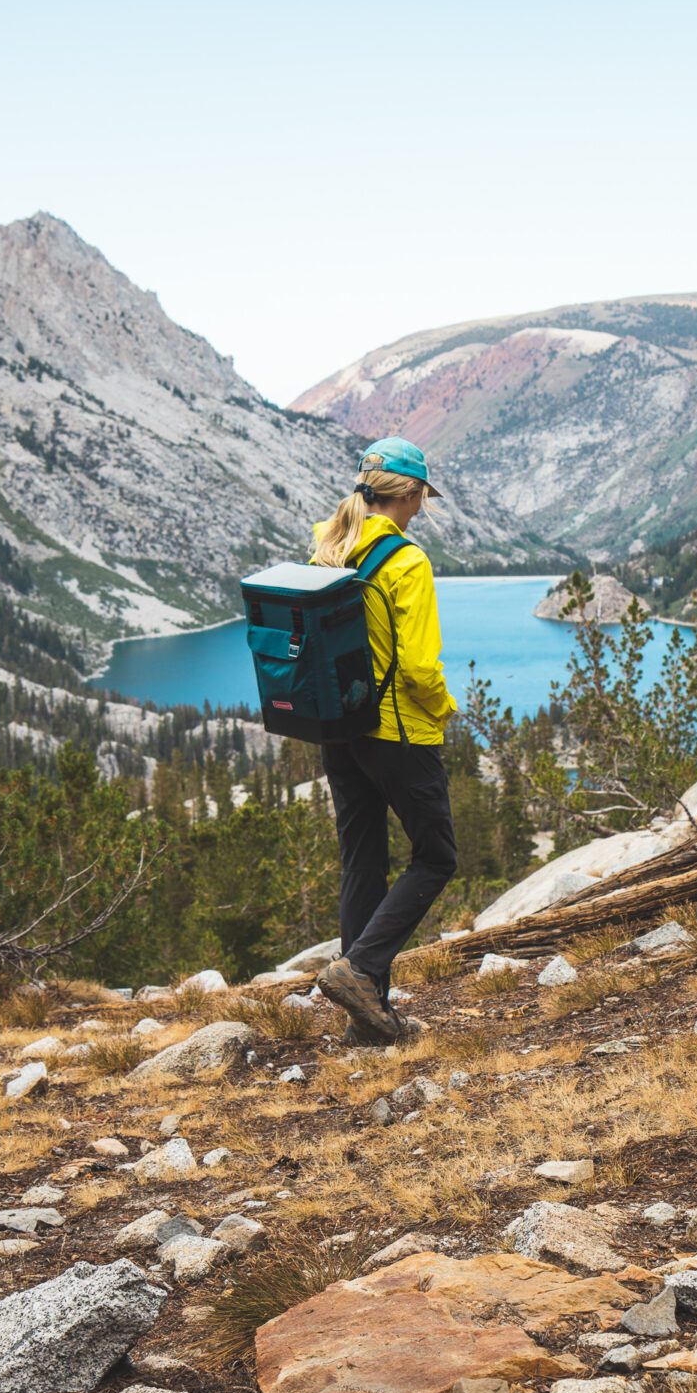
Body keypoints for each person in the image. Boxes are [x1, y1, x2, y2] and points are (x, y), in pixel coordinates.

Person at [313, 437, 458, 1044]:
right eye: (423, 492)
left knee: (363, 863)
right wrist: (445, 710)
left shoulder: (328, 544)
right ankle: (361, 970)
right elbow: (421, 669)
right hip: (396, 733)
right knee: (436, 856)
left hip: (338, 730)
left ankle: (369, 1022)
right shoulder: (406, 562)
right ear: (415, 496)